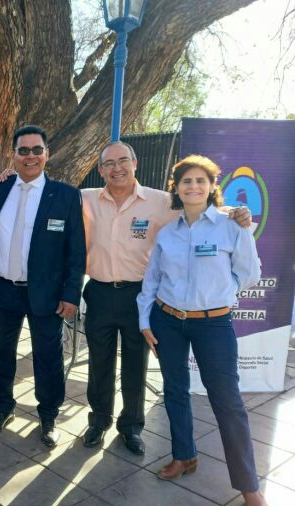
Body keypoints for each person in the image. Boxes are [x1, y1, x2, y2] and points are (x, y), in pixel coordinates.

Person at [80, 141, 252, 456]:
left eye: (123, 161)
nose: (117, 168)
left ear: (135, 164)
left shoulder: (160, 201)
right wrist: (10, 174)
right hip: (100, 292)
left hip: (139, 294)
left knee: (135, 364)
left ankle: (131, 427)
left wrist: (235, 213)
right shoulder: (86, 199)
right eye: (109, 163)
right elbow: (48, 198)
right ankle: (99, 421)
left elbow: (200, 209)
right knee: (99, 362)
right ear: (101, 169)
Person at [136, 155, 272, 506]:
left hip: (213, 325)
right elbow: (151, 281)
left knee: (227, 402)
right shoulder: (168, 233)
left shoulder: (232, 225)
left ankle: (250, 487)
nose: (193, 186)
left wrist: (219, 294)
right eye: (186, 181)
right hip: (167, 321)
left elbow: (250, 273)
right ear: (177, 188)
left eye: (200, 180)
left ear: (212, 186)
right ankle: (184, 455)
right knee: (175, 390)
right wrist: (145, 321)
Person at [0, 125, 86, 447]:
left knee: (48, 357)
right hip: (3, 289)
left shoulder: (65, 196)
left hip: (46, 293)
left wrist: (71, 294)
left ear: (47, 154)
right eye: (23, 150)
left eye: (37, 150)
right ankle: (3, 406)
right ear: (13, 155)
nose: (30, 156)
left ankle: (48, 415)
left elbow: (76, 251)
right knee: (1, 352)